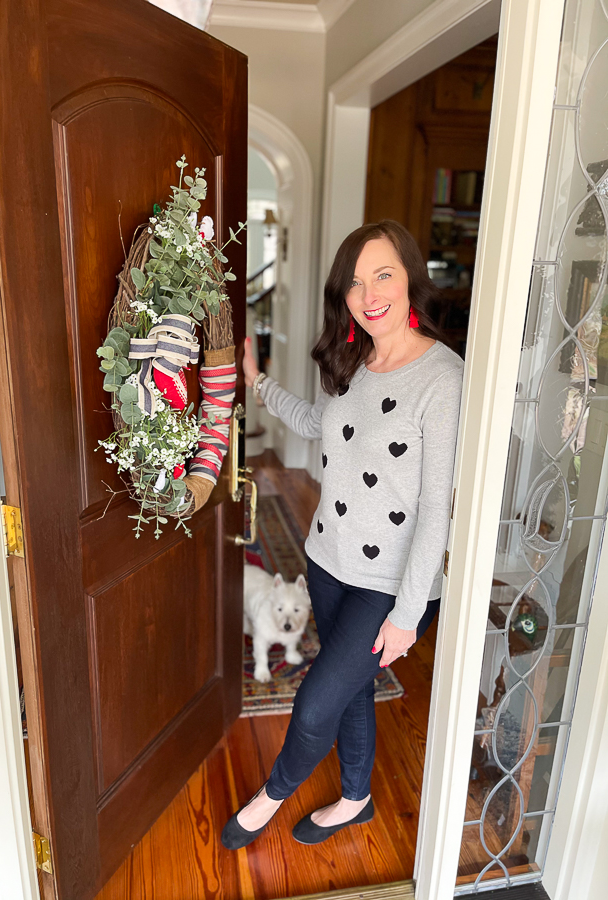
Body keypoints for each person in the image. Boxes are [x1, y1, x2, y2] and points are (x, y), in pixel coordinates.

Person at [221, 220, 463, 850]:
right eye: (356, 281)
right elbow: (317, 422)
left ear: (410, 277)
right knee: (350, 687)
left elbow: (438, 507)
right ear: (345, 295)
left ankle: (268, 798)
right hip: (327, 559)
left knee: (315, 702)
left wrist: (409, 616)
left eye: (384, 274)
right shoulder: (355, 361)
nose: (370, 292)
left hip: (391, 586)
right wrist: (256, 383)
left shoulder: (444, 378)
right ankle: (355, 797)